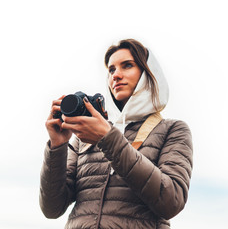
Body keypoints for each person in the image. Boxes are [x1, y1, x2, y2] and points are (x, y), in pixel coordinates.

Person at [40, 39, 193, 229]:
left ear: (148, 73)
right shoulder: (86, 135)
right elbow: (52, 209)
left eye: (127, 65)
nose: (116, 75)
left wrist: (108, 138)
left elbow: (171, 202)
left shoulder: (173, 130)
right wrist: (57, 146)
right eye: (111, 70)